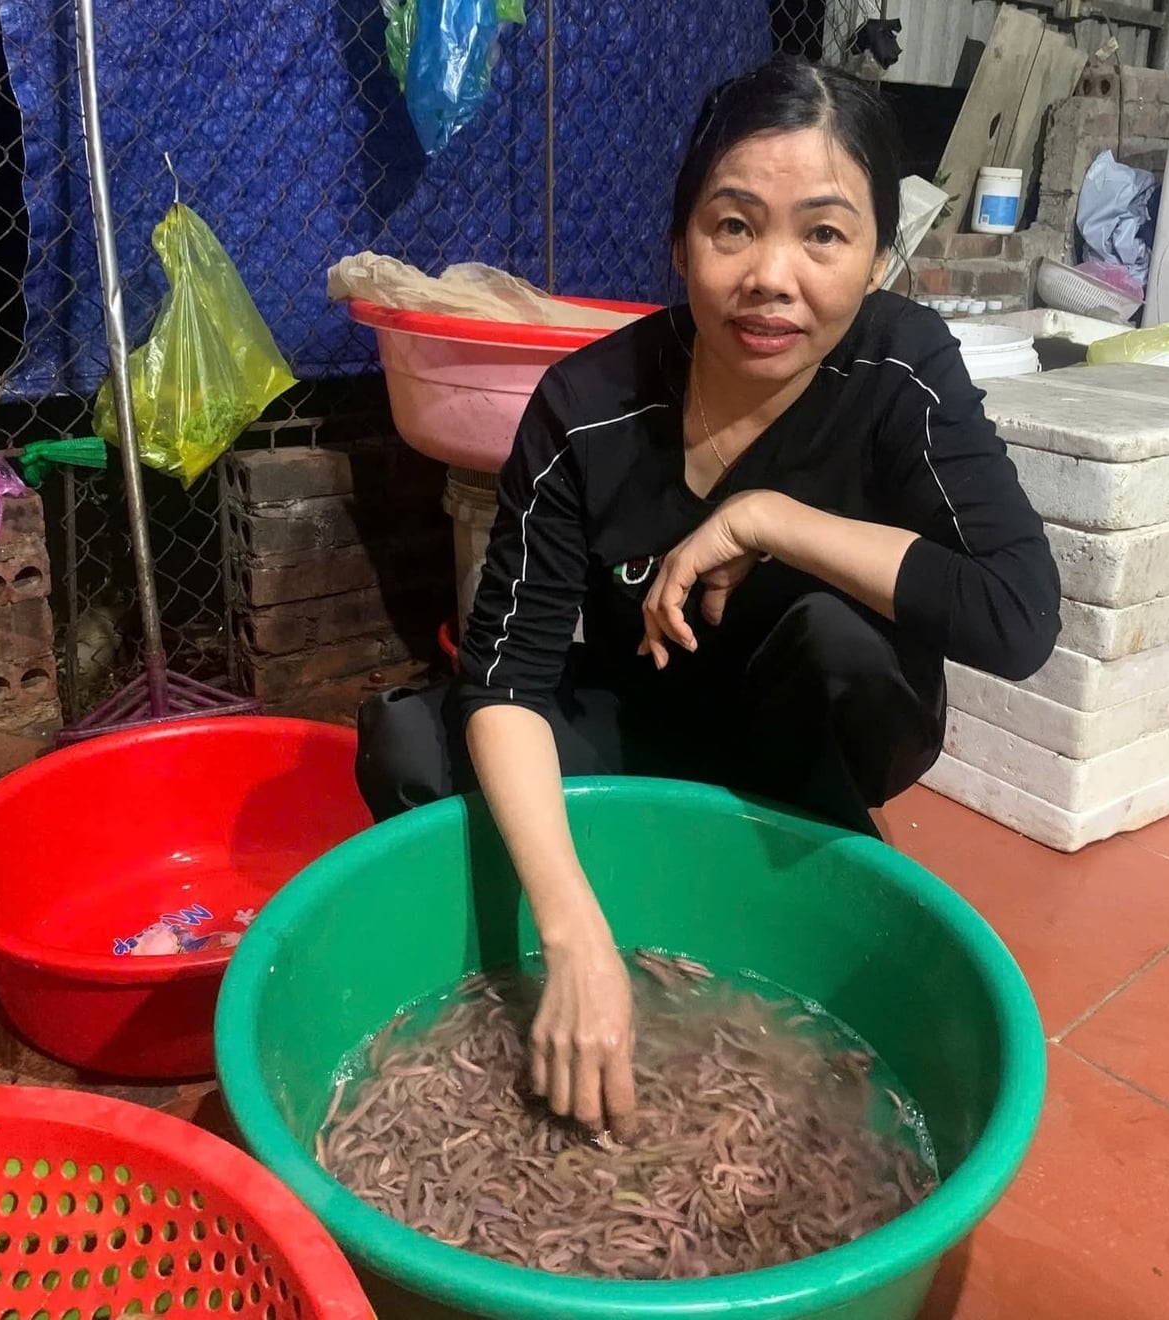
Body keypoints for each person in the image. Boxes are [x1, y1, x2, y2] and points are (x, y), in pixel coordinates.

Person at [356, 54, 1061, 1142]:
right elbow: (505, 677)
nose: (773, 276)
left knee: (841, 635)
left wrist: (773, 521)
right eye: (734, 226)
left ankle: (824, 841)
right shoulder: (584, 407)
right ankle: (607, 893)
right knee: (413, 748)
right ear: (681, 239)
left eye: (825, 234)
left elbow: (1019, 616)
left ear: (878, 256)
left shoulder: (901, 369)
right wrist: (572, 931)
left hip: (802, 723)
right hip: (640, 718)